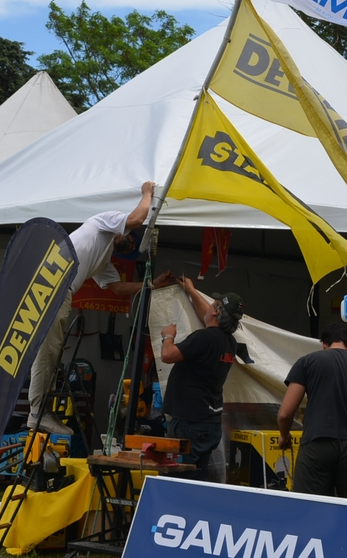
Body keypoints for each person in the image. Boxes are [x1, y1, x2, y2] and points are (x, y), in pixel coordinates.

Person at [28, 181, 173, 434]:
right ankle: (37, 414)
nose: (129, 245)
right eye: (131, 240)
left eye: (130, 249)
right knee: (47, 352)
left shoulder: (103, 258)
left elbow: (119, 288)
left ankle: (39, 411)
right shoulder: (104, 221)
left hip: (53, 286)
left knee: (50, 352)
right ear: (124, 230)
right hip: (54, 286)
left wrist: (153, 284)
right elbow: (137, 219)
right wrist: (148, 193)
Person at [278, 321, 347, 499]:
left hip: (317, 444)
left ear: (323, 344)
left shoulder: (307, 362)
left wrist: (284, 435)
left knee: (310, 507)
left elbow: (285, 414)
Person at [159, 278, 243, 481]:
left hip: (190, 423)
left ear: (215, 313)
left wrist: (167, 336)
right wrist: (191, 291)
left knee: (177, 477)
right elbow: (209, 315)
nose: (209, 307)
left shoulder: (203, 338)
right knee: (197, 475)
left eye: (213, 305)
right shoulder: (230, 342)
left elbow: (167, 355)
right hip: (209, 423)